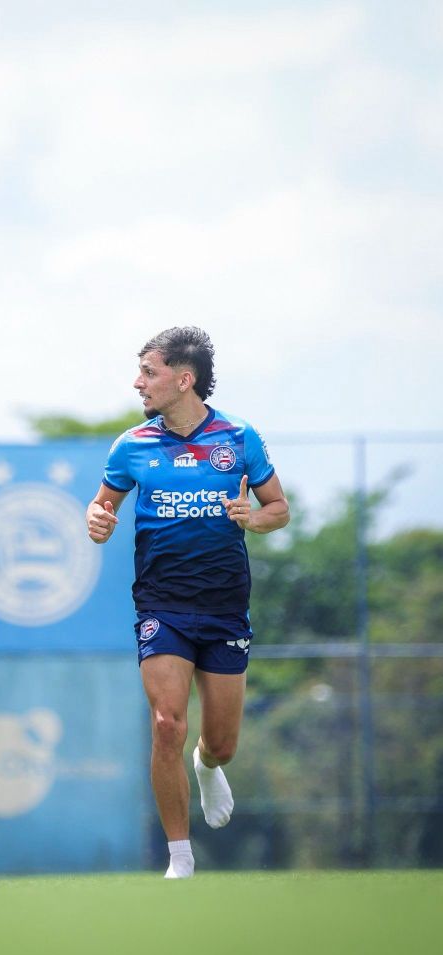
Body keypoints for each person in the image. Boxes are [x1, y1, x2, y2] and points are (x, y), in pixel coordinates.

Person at [86, 326, 289, 878]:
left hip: (225, 608)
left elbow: (279, 509)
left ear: (184, 378)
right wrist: (97, 520)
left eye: (148, 373)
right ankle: (180, 857)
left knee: (220, 743)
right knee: (166, 723)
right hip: (161, 606)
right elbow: (100, 509)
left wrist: (255, 517)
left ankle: (206, 766)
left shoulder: (239, 436)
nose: (138, 383)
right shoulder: (132, 445)